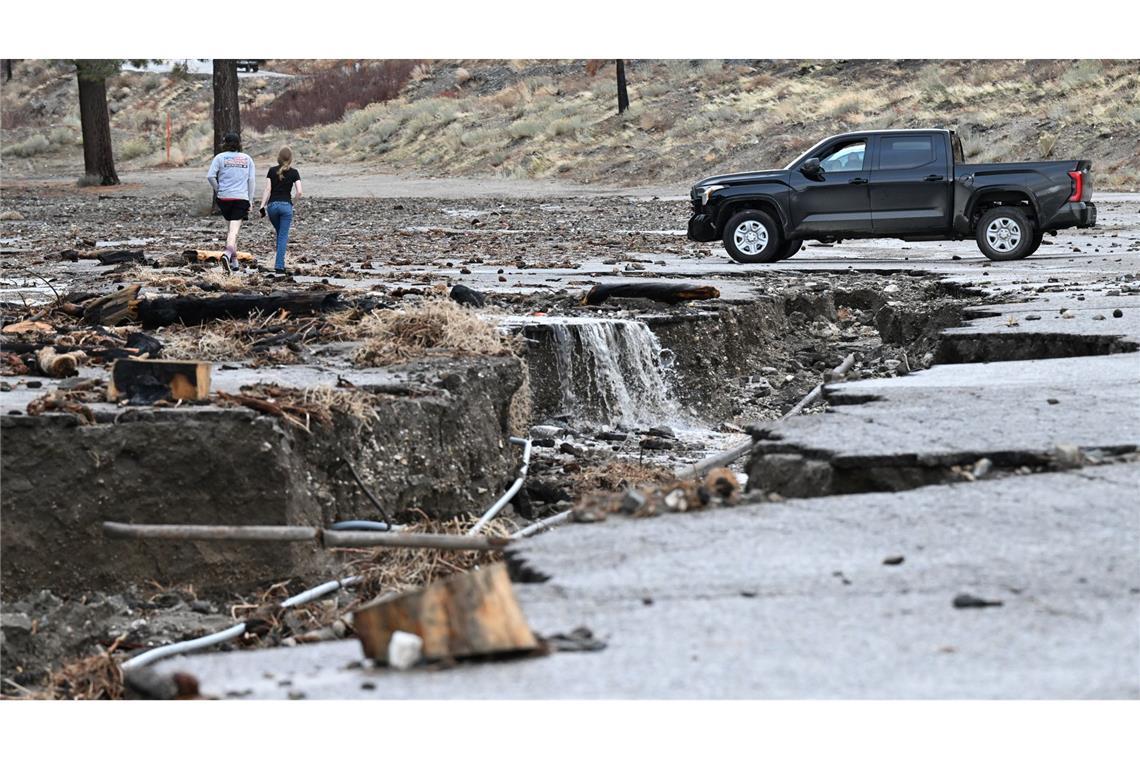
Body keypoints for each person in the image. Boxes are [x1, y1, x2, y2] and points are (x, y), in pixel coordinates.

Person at [205, 132, 256, 272]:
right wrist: (250, 200)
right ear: (239, 144)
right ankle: (227, 255)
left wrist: (218, 188)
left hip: (224, 199)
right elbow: (251, 181)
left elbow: (210, 176)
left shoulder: (219, 158)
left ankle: (234, 263)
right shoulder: (247, 159)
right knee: (234, 232)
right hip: (240, 198)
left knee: (230, 231)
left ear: (225, 144)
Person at [258, 146, 303, 274]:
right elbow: (299, 192)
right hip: (285, 207)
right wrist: (292, 204)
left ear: (279, 158)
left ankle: (279, 261)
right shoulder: (294, 172)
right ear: (290, 159)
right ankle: (279, 265)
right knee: (282, 236)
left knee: (280, 234)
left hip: (272, 207)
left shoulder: (271, 171)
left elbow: (268, 190)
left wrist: (262, 206)